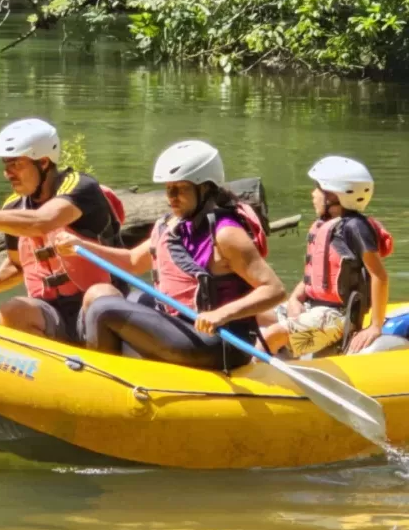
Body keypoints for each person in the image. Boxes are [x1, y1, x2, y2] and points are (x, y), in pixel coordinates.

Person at [57, 140, 285, 369]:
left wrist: (221, 314)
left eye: (181, 188)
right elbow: (133, 262)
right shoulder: (169, 225)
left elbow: (274, 290)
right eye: (169, 188)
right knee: (102, 295)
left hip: (219, 340)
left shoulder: (226, 234)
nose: (172, 197)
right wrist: (82, 246)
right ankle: (119, 367)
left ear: (205, 188)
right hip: (181, 323)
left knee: (103, 309)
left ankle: (105, 379)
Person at [0, 118, 124, 342]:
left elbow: (42, 222)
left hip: (98, 303)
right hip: (51, 310)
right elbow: (18, 266)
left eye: (16, 164)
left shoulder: (81, 187)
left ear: (43, 162)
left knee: (99, 297)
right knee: (11, 310)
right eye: (6, 165)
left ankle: (104, 365)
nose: (8, 173)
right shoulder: (14, 207)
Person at [259, 157, 392, 356]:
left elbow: (379, 276)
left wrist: (375, 326)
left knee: (273, 334)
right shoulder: (327, 224)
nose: (313, 194)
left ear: (334, 195)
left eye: (318, 188)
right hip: (312, 306)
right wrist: (295, 299)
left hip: (337, 316)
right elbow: (315, 273)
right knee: (251, 315)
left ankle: (248, 378)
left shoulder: (355, 227)